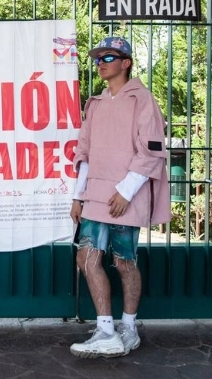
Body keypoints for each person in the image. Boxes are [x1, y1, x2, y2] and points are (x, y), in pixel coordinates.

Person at [69, 36, 170, 358]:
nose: (100, 63)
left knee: (125, 262)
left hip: (127, 195)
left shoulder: (142, 99)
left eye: (108, 57)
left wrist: (125, 191)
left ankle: (129, 327)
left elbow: (151, 150)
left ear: (126, 63)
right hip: (95, 195)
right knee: (86, 258)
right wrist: (78, 196)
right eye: (98, 58)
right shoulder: (95, 103)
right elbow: (84, 151)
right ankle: (106, 330)